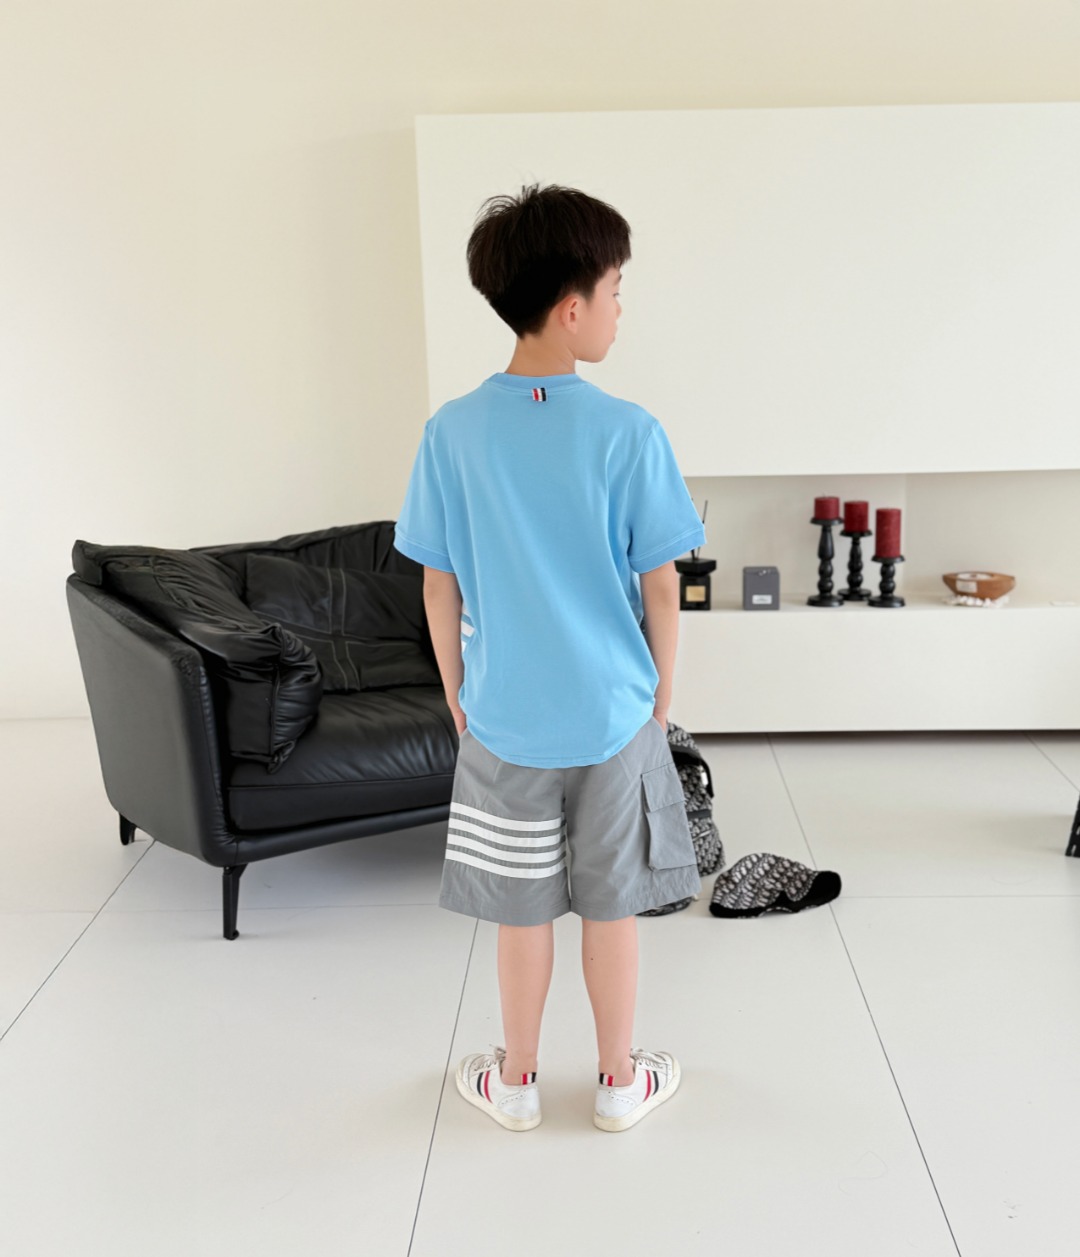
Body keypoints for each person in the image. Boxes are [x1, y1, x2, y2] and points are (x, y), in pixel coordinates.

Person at [392, 183, 706, 1133]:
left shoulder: (450, 432)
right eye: (615, 291)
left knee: (521, 910)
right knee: (611, 907)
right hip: (613, 714)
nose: (619, 308)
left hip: (505, 720)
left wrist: (458, 694)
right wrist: (658, 699)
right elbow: (663, 588)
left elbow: (439, 588)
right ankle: (618, 1082)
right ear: (572, 308)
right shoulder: (629, 432)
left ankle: (517, 1082)